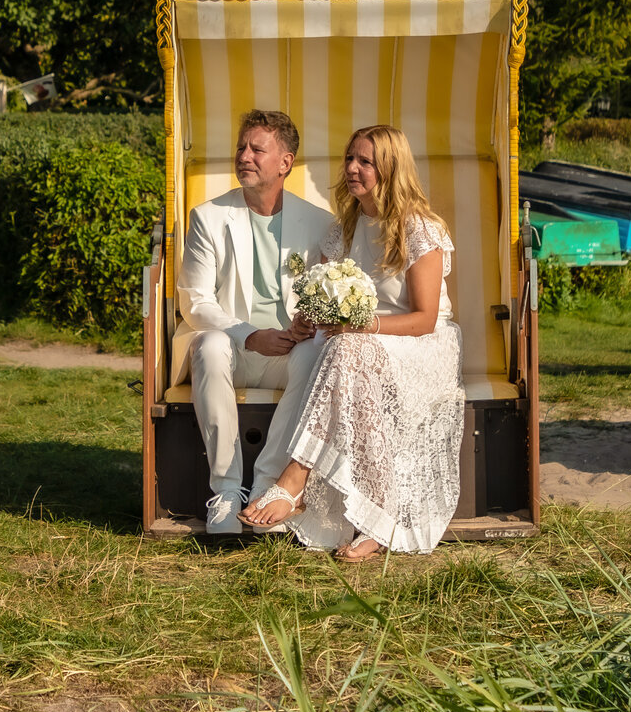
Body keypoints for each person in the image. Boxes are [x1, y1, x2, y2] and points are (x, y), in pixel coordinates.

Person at [240, 124, 463, 562]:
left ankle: (294, 479)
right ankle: (373, 521)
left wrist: (361, 328)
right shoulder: (343, 229)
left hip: (422, 346)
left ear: (391, 169)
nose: (353, 169)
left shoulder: (420, 229)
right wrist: (308, 319)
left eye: (366, 161)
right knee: (342, 352)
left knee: (347, 349)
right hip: (359, 346)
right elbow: (318, 294)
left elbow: (424, 319)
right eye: (350, 159)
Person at [176, 110, 335, 534]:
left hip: (291, 351)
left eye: (256, 149)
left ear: (285, 162)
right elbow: (195, 301)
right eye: (240, 147)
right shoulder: (208, 217)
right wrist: (251, 336)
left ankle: (269, 487)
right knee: (207, 345)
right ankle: (226, 491)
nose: (244, 156)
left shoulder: (321, 223)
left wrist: (308, 321)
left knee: (320, 353)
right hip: (235, 347)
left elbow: (329, 292)